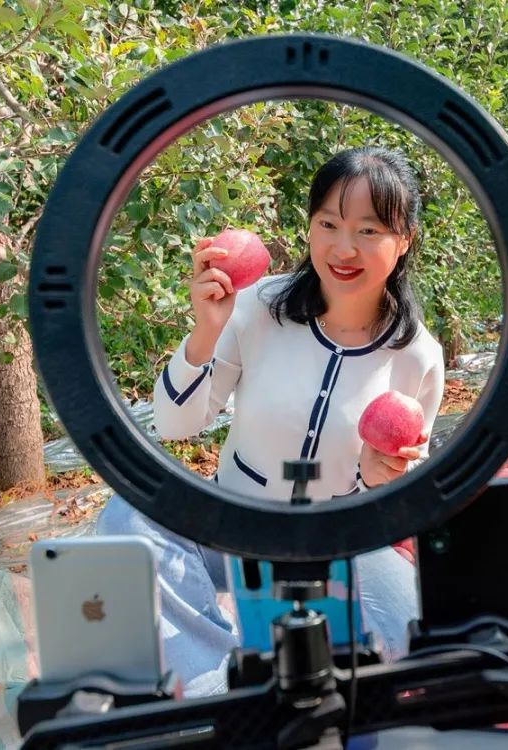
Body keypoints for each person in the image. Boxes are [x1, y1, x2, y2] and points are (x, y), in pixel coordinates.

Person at [95, 146, 445, 697]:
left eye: (370, 230)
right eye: (328, 223)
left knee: (416, 638)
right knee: (129, 518)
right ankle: (219, 680)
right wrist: (205, 331)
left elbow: (400, 484)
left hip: (338, 543)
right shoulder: (258, 306)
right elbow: (174, 426)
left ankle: (318, 676)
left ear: (404, 241)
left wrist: (385, 479)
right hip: (233, 523)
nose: (343, 247)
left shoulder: (417, 355)